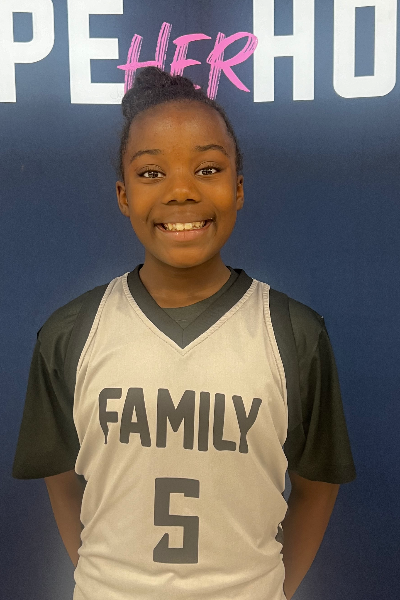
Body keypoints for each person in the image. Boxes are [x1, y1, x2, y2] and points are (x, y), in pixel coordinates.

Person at [12, 66, 356, 600]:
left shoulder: (293, 333)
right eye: (152, 173)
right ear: (123, 195)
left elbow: (317, 487)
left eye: (208, 168)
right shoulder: (70, 333)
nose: (180, 191)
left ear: (238, 189)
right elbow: (60, 477)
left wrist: (267, 589)